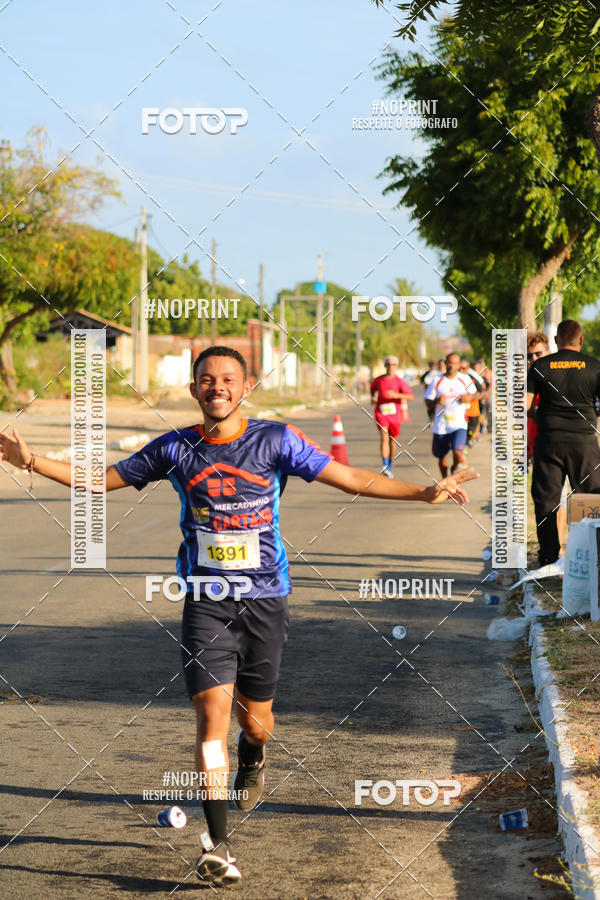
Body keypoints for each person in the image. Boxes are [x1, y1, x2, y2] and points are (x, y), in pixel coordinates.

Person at [0, 345, 477, 888]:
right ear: (193, 390)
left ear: (246, 387)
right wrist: (30, 462)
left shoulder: (275, 440)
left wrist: (423, 493)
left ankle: (253, 756)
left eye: (228, 378)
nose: (217, 387)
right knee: (211, 720)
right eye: (207, 379)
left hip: (266, 602)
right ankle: (218, 846)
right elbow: (100, 479)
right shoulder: (175, 448)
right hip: (206, 603)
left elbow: (348, 477)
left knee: (257, 723)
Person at [527, 320, 600, 566]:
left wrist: (538, 416)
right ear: (581, 340)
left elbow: (525, 405)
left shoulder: (540, 365)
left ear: (557, 340)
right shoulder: (595, 366)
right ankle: (590, 558)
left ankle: (549, 558)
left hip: (549, 442)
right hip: (584, 444)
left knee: (546, 501)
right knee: (589, 499)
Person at [425, 352, 477, 477]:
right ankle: (445, 479)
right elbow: (427, 401)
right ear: (445, 363)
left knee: (457, 452)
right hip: (441, 425)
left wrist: (468, 398)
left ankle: (454, 471)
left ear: (459, 365)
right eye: (449, 363)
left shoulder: (465, 379)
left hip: (459, 424)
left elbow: (475, 394)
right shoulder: (437, 380)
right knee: (442, 458)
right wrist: (437, 401)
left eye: (455, 363)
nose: (452, 366)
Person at [370, 355, 414, 477]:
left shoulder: (399, 381)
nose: (390, 367)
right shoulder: (378, 380)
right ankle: (384, 465)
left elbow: (410, 396)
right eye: (388, 364)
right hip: (381, 413)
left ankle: (390, 465)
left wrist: (397, 395)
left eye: (393, 365)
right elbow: (372, 389)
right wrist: (373, 397)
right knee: (384, 438)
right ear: (385, 366)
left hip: (395, 415)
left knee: (392, 440)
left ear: (397, 367)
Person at [459, 358, 485, 447]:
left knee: (470, 433)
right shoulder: (454, 378)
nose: (461, 371)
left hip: (472, 410)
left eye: (463, 368)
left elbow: (481, 391)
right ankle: (461, 449)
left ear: (468, 368)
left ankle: (470, 440)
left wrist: (471, 397)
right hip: (459, 412)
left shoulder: (471, 378)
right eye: (459, 368)